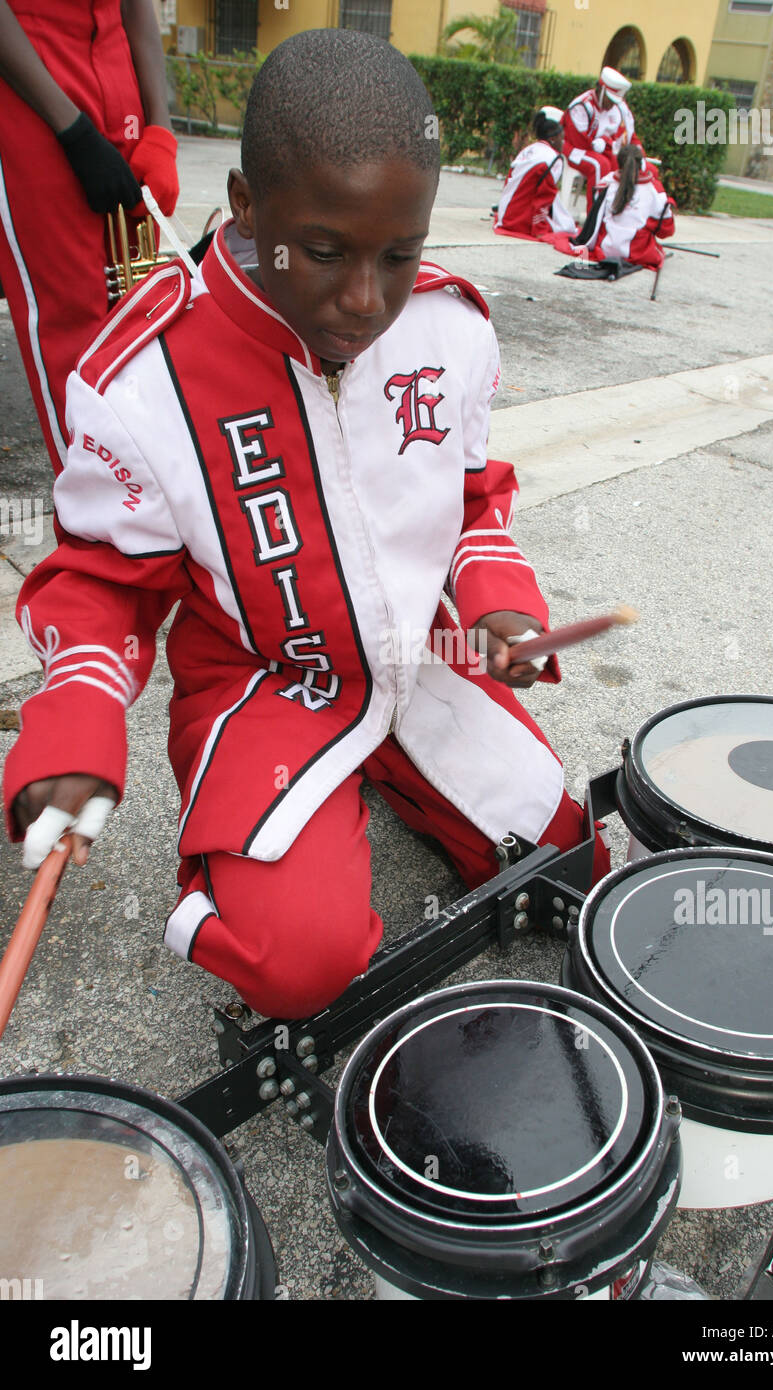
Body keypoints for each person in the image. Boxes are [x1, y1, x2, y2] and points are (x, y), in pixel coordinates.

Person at [3, 31, 611, 1022]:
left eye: (401, 254)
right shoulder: (146, 384)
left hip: (418, 661)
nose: (366, 300)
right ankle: (254, 847)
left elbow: (473, 496)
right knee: (305, 970)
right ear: (247, 206)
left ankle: (395, 766)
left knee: (577, 860)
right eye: (323, 251)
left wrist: (500, 609)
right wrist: (75, 721)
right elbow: (101, 580)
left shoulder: (453, 329)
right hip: (268, 689)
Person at [0, 0, 179, 476]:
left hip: (124, 86)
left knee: (134, 316)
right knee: (72, 326)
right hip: (34, 92)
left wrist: (160, 130)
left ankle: (146, 510)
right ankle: (93, 528)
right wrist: (73, 131)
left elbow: (137, 7)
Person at [581, 144, 675, 271]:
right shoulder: (655, 189)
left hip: (605, 249)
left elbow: (595, 217)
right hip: (636, 253)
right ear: (642, 163)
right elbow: (666, 231)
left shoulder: (606, 182)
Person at [561, 66, 638, 209]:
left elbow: (612, 136)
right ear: (601, 90)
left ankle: (611, 209)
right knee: (599, 165)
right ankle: (595, 212)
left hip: (593, 150)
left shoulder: (612, 109)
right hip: (572, 149)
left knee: (617, 165)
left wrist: (606, 142)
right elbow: (579, 141)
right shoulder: (582, 106)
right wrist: (604, 143)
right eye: (610, 100)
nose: (612, 105)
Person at [494, 109, 577, 240]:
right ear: (553, 139)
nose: (563, 142)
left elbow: (509, 182)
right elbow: (544, 196)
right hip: (519, 221)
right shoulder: (553, 159)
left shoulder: (528, 150)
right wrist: (540, 229)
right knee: (567, 227)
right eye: (562, 138)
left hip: (505, 215)